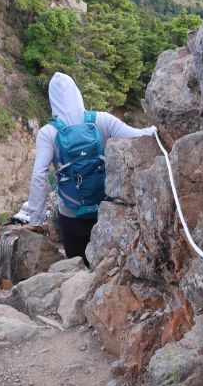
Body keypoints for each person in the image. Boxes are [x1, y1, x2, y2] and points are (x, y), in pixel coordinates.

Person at [25, 72, 156, 262]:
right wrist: (156, 130)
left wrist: (36, 221)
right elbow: (138, 136)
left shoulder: (48, 133)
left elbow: (39, 175)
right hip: (105, 211)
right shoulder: (102, 120)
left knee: (77, 269)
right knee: (105, 265)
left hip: (71, 217)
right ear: (77, 93)